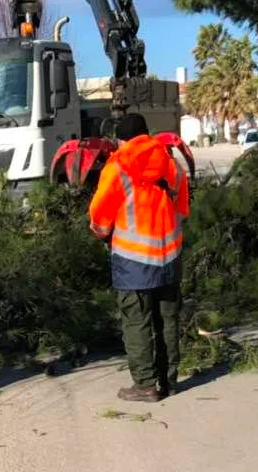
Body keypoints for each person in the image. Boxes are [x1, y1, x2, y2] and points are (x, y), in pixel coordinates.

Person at [89, 113, 190, 402]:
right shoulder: (171, 164)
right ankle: (169, 380)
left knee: (137, 320)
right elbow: (182, 210)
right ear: (147, 135)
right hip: (169, 255)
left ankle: (145, 385)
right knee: (167, 319)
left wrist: (102, 233)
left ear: (121, 140)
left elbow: (100, 215)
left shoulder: (119, 165)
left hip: (133, 260)